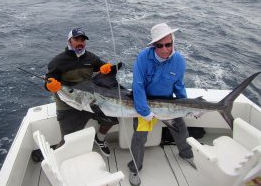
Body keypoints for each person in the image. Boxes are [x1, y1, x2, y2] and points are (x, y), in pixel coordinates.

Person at [127, 23, 194, 186]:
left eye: (168, 44)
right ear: (153, 46)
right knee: (139, 136)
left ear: (173, 42)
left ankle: (186, 154)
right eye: (160, 45)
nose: (165, 49)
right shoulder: (143, 57)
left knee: (181, 129)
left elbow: (179, 86)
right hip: (146, 102)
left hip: (167, 103)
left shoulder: (179, 61)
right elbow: (138, 86)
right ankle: (135, 166)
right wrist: (144, 111)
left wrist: (185, 106)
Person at [44, 27, 118, 156]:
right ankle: (57, 155)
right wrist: (49, 86)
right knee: (68, 138)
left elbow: (104, 68)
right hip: (68, 104)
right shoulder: (57, 61)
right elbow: (48, 81)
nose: (80, 42)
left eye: (83, 40)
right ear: (69, 41)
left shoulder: (91, 57)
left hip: (90, 101)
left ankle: (99, 138)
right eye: (76, 39)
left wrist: (108, 68)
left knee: (111, 118)